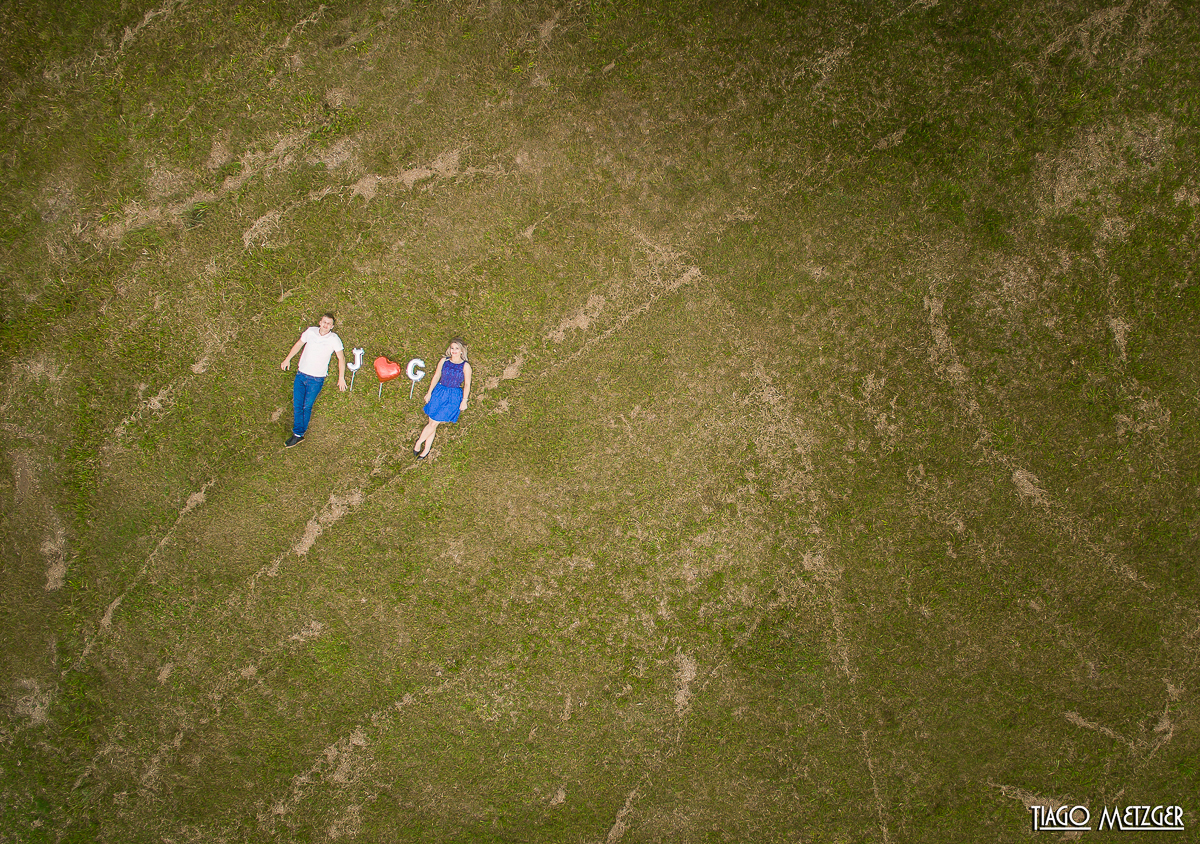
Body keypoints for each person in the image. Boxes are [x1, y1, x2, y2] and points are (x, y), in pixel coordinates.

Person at [280, 312, 347, 447]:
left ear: (332, 326)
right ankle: (298, 434)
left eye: (329, 323)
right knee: (298, 405)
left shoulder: (334, 339)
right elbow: (299, 344)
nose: (326, 325)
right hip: (301, 375)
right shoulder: (310, 332)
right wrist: (288, 359)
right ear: (320, 322)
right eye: (324, 322)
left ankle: (298, 434)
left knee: (307, 406)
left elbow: (341, 358)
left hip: (316, 379)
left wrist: (341, 378)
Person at [413, 339, 471, 459]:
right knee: (432, 423)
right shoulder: (444, 361)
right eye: (452, 348)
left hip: (453, 396)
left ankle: (418, 444)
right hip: (439, 392)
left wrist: (464, 400)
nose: (454, 350)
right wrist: (429, 392)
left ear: (461, 351)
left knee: (434, 422)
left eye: (456, 348)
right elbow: (436, 376)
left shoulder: (465, 366)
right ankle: (426, 450)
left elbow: (467, 384)